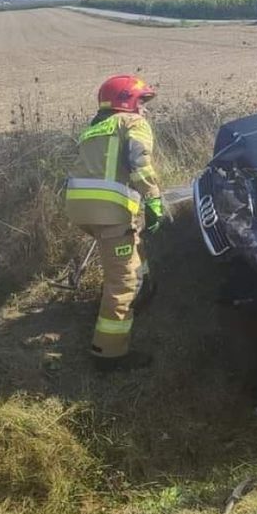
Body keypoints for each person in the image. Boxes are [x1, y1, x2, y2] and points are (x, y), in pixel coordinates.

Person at [64, 75, 164, 371]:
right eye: (141, 102)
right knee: (122, 282)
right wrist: (154, 199)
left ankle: (143, 293)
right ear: (127, 101)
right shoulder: (132, 124)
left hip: (82, 208)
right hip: (109, 211)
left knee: (131, 242)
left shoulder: (95, 128)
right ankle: (109, 354)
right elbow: (141, 162)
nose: (144, 110)